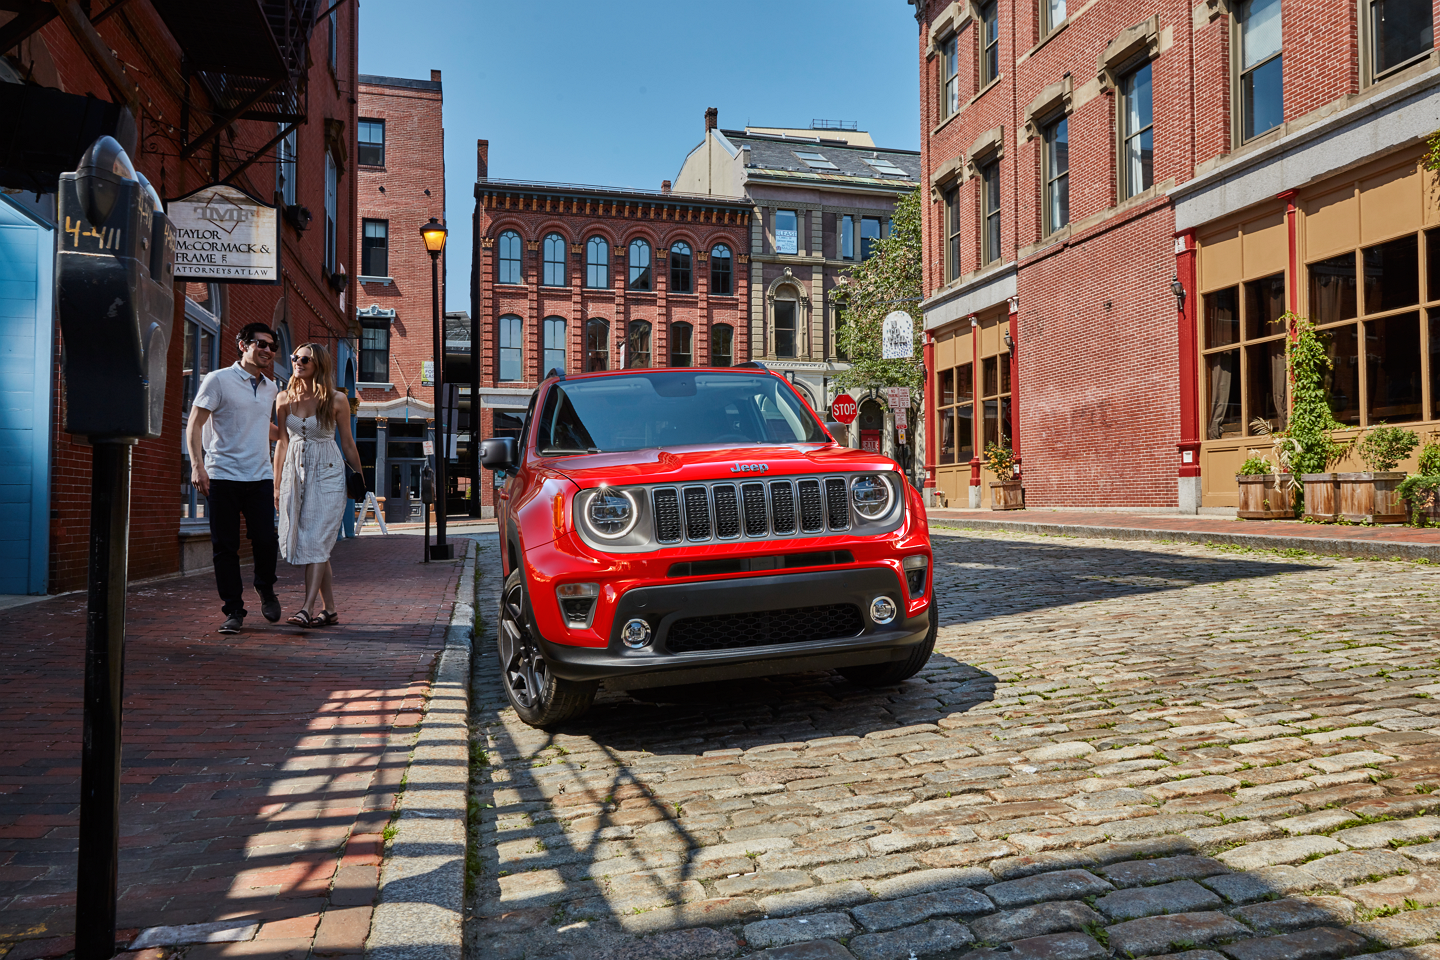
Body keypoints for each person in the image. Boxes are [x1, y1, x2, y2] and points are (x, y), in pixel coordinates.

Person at [187, 322, 283, 634]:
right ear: (243, 345)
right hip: (223, 476)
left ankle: (265, 588)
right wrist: (197, 466)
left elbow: (261, 424)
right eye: (261, 344)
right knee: (225, 547)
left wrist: (297, 431)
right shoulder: (218, 380)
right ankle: (234, 611)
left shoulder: (271, 388)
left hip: (259, 476)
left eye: (272, 346)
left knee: (266, 540)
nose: (267, 350)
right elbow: (195, 423)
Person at [272, 342, 365, 627]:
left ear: (319, 365)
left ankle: (306, 608)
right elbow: (282, 444)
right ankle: (331, 610)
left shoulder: (336, 400)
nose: (298, 362)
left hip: (327, 472)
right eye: (295, 357)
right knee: (313, 542)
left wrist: (360, 480)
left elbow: (348, 443)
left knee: (317, 538)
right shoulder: (283, 398)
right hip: (295, 473)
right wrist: (277, 486)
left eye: (305, 359)